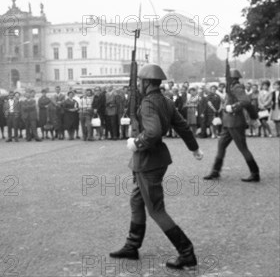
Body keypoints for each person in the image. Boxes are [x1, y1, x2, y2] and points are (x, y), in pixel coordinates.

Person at [110, 64, 203, 270]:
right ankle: (132, 246)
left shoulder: (148, 103)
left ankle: (186, 252)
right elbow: (182, 126)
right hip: (154, 160)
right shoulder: (166, 101)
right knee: (136, 201)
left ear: (144, 82)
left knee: (157, 210)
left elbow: (152, 132)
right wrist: (194, 148)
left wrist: (137, 142)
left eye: (140, 82)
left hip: (148, 161)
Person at [203, 69, 261, 182]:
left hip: (235, 122)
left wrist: (233, 107)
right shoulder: (231, 88)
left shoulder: (236, 87)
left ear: (232, 78)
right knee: (221, 145)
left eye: (227, 78)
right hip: (228, 123)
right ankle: (215, 171)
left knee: (243, 148)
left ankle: (255, 173)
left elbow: (245, 102)